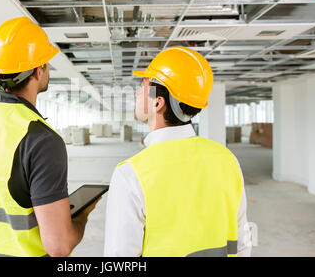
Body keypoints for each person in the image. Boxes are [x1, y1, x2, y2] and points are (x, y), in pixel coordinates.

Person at [0, 17, 98, 257]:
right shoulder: (41, 140)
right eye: (47, 63)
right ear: (39, 70)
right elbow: (58, 246)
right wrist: (81, 217)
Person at [104, 47, 252, 257]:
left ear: (157, 103)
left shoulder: (131, 174)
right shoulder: (227, 160)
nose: (137, 93)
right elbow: (242, 241)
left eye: (143, 86)